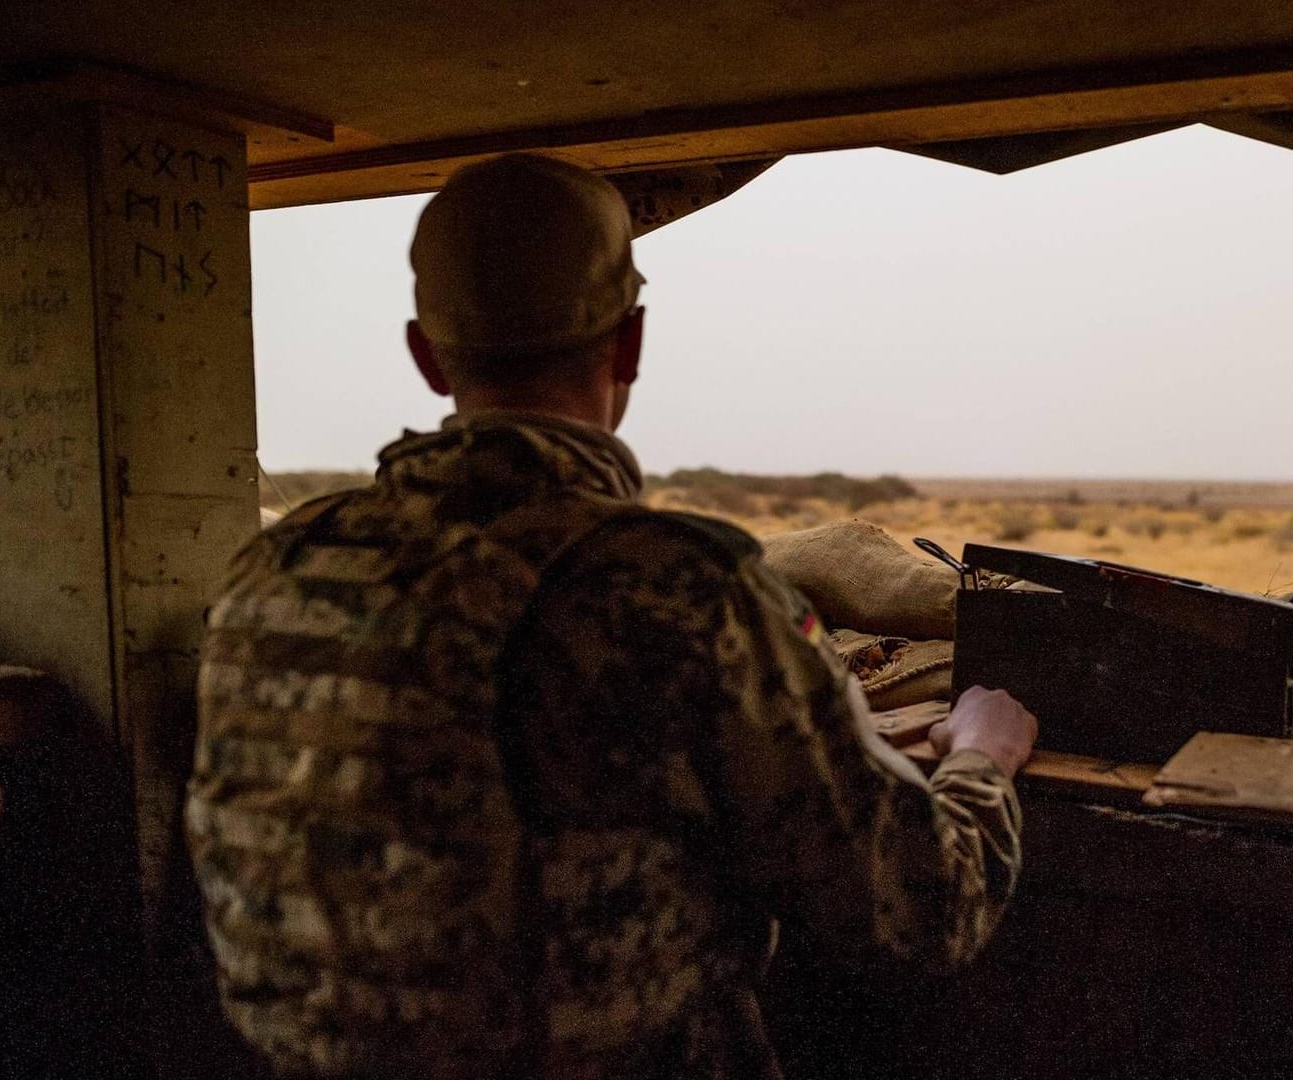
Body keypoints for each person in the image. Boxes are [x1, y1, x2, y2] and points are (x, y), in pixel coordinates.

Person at [185, 153, 1038, 1080]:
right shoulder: (679, 588)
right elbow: (924, 914)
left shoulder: (271, 568)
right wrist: (982, 759)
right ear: (629, 344)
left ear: (426, 356)